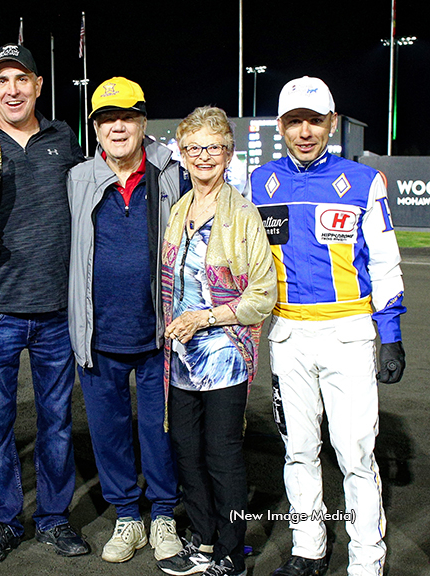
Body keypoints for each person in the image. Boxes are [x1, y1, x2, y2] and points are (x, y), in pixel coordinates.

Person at [246, 77, 406, 576]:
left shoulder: (363, 182)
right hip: (288, 337)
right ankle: (308, 549)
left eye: (315, 120)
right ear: (282, 127)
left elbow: (384, 264)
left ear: (331, 123)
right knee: (297, 450)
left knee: (355, 453)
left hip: (348, 336)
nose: (305, 131)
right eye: (295, 121)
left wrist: (392, 337)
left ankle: (366, 559)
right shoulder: (257, 182)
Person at [0, 43, 88, 565]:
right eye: (1, 81)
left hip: (56, 309)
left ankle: (53, 519)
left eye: (21, 79)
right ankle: (4, 521)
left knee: (55, 423)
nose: (12, 89)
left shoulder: (64, 139)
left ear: (38, 85)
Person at [66, 77, 185, 563]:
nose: (118, 126)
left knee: (160, 431)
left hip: (159, 334)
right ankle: (127, 517)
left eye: (127, 117)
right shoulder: (77, 179)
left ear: (142, 123)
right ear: (95, 128)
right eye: (107, 118)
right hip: (98, 333)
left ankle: (162, 515)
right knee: (110, 433)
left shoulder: (172, 174)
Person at [157, 107, 276, 576]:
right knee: (186, 450)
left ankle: (231, 551)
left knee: (222, 455)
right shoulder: (179, 209)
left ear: (228, 153)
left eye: (212, 147)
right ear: (182, 155)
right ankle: (202, 540)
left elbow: (262, 294)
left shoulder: (243, 213)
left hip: (224, 352)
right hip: (182, 354)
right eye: (193, 148)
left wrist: (204, 318)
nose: (202, 157)